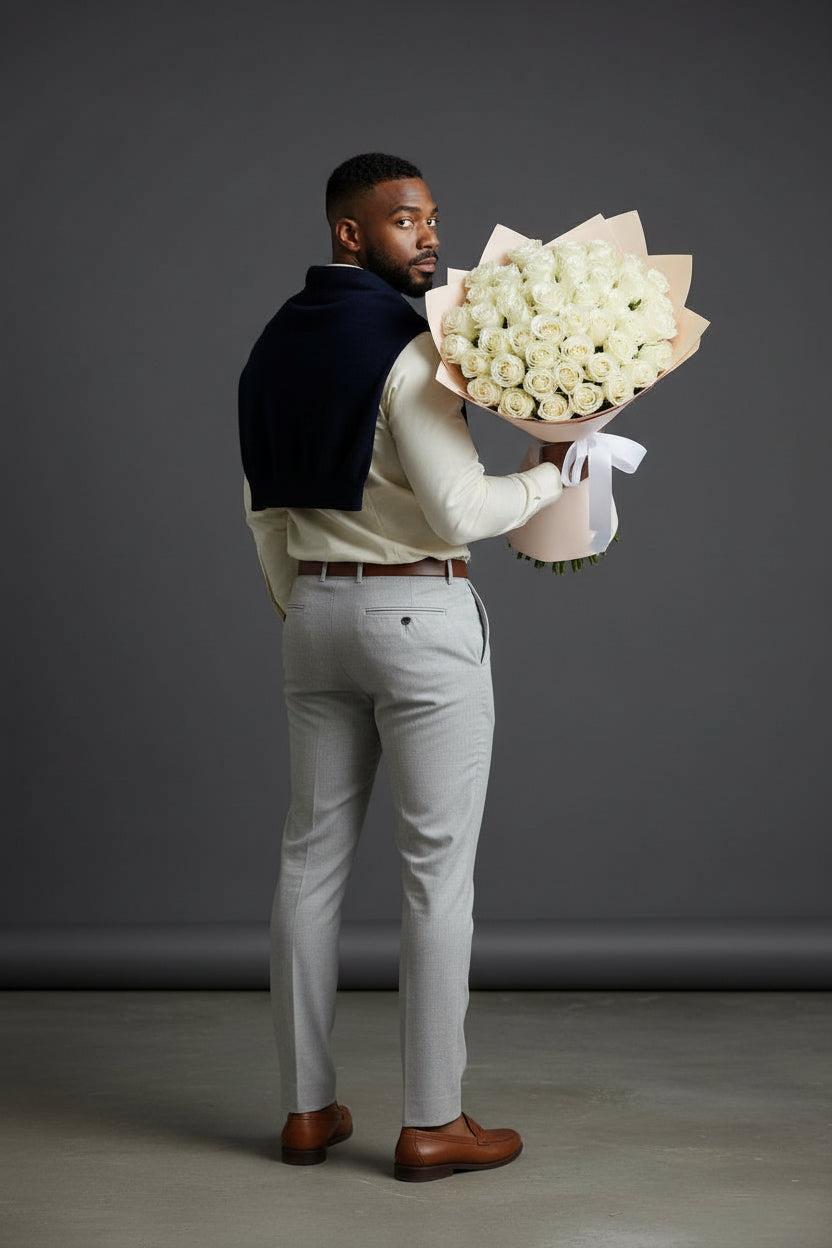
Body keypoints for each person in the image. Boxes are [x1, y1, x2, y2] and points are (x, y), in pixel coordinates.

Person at [239, 152, 572, 1182]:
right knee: (436, 878)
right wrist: (545, 475)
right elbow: (461, 512)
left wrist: (304, 603)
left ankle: (304, 1111)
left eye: (431, 218)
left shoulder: (270, 346)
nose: (428, 236)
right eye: (403, 221)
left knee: (308, 862)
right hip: (419, 615)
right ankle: (433, 1121)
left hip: (312, 615)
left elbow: (258, 502)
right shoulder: (411, 347)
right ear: (351, 233)